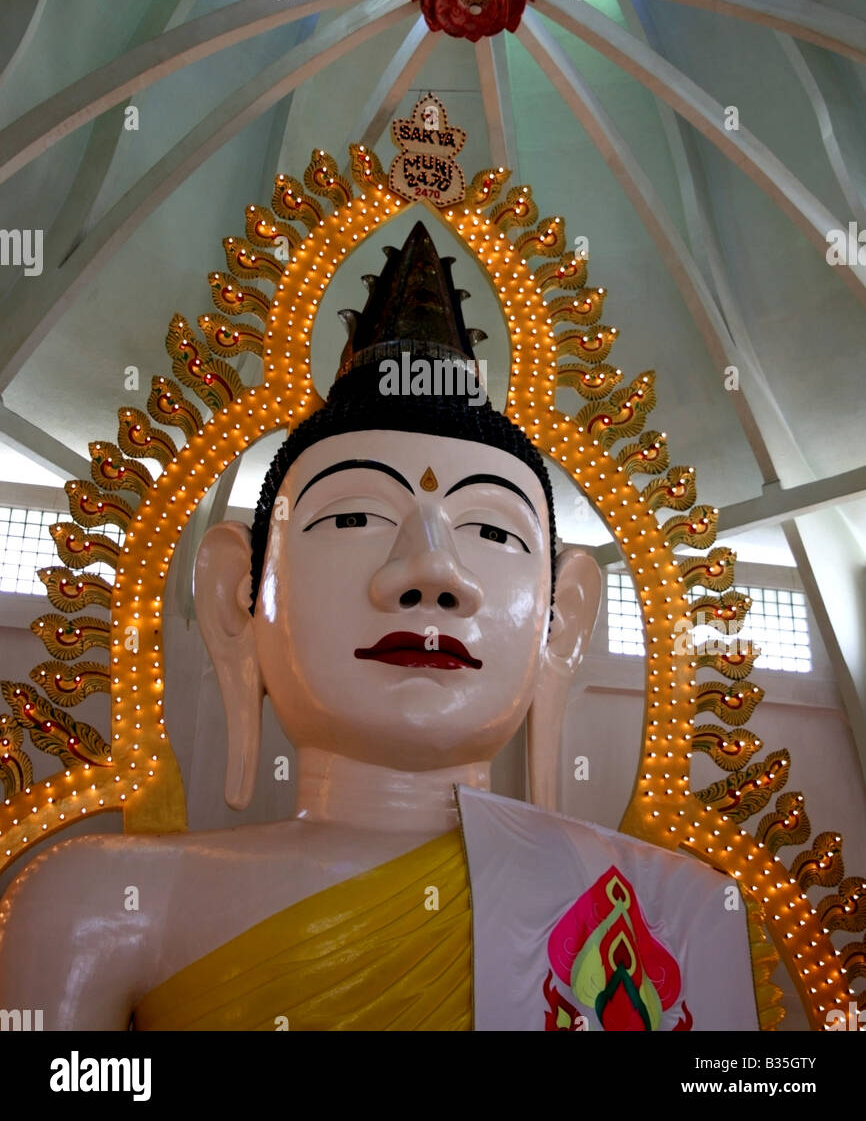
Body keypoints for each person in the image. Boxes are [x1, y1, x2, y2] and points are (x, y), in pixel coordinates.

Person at [0, 223, 755, 1031]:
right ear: (236, 598)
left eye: (493, 532)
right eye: (355, 514)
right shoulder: (98, 908)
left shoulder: (669, 911)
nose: (431, 574)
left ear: (562, 621)